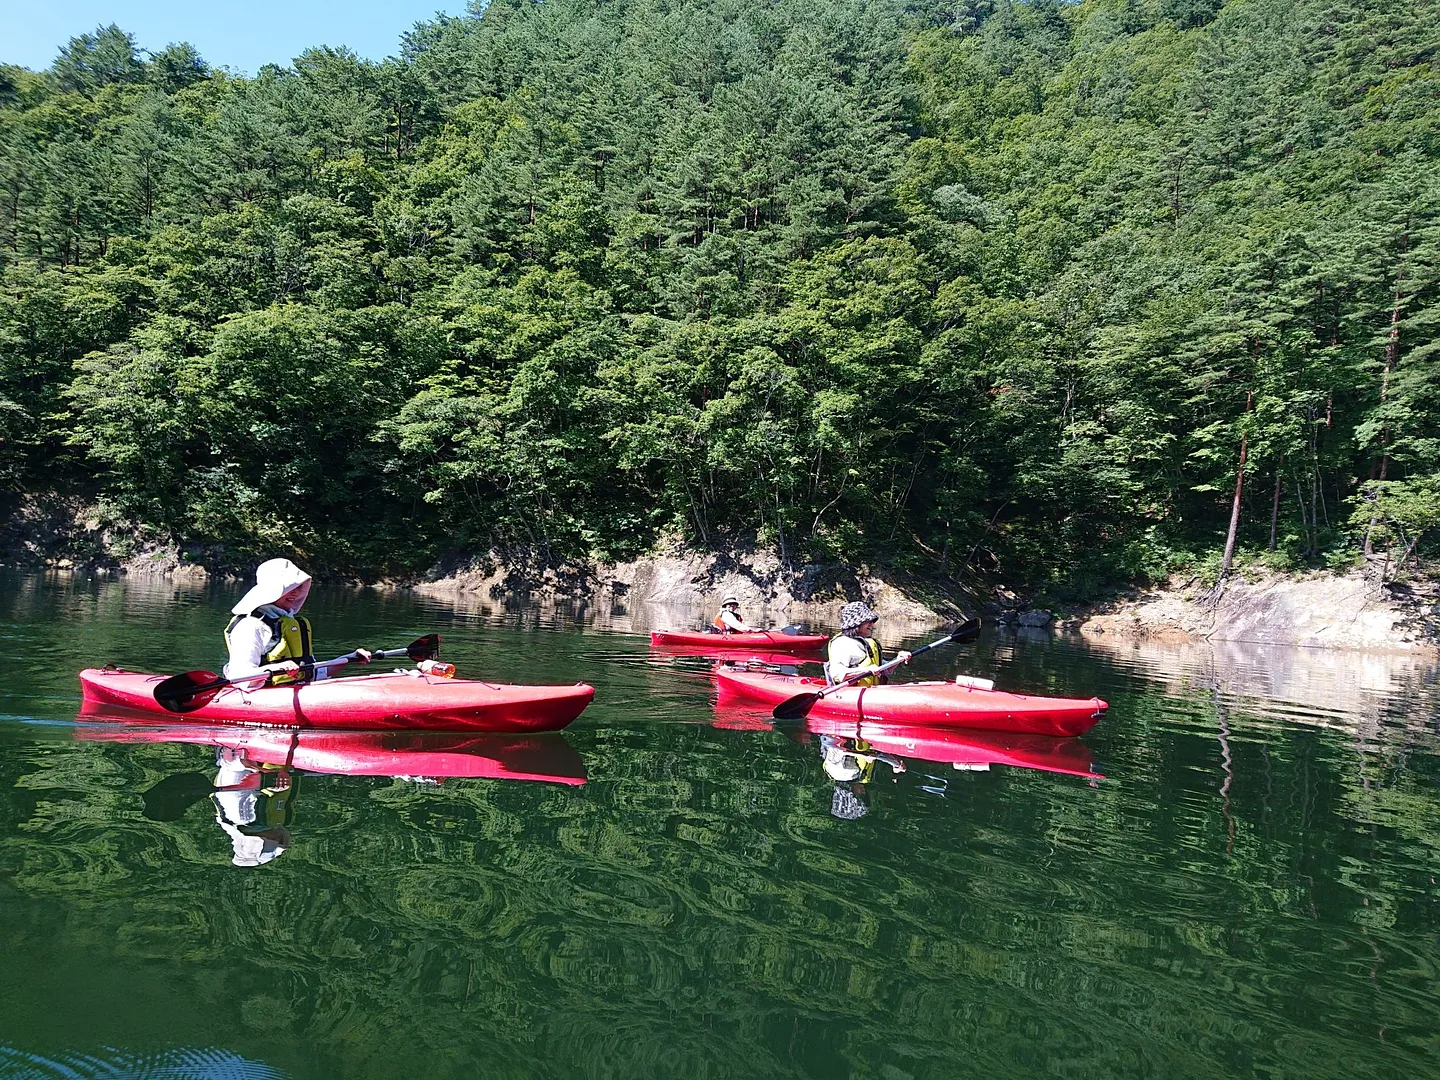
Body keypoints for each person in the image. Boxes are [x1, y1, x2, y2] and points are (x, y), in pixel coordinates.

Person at [224, 558, 368, 687]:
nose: (295, 593)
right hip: (259, 697)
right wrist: (274, 669)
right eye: (289, 588)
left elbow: (315, 672)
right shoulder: (250, 626)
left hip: (293, 691)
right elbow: (240, 677)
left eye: (298, 587)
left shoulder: (288, 622)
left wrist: (350, 658)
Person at [825, 601, 912, 687]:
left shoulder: (865, 642)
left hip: (871, 693)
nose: (872, 624)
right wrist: (865, 670)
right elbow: (837, 674)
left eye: (872, 621)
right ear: (856, 623)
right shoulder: (841, 643)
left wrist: (898, 659)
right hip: (849, 695)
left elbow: (883, 669)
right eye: (868, 621)